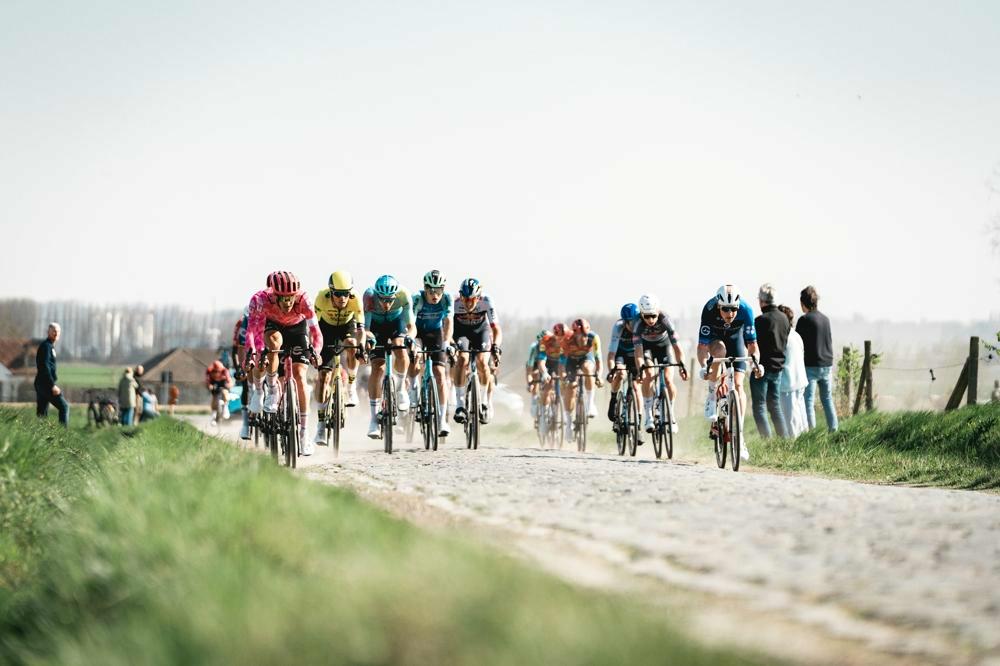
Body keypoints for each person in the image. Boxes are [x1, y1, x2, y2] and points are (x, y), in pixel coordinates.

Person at [245, 270, 323, 453]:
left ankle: (304, 433)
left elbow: (316, 333)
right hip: (273, 326)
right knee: (273, 344)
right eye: (283, 298)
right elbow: (251, 330)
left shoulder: (304, 300)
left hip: (298, 328)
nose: (288, 303)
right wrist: (253, 352)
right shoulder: (260, 299)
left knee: (300, 375)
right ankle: (272, 390)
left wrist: (315, 352)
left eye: (291, 298)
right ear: (274, 295)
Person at [697, 284, 762, 461]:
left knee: (739, 385)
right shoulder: (709, 309)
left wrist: (756, 363)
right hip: (716, 341)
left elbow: (752, 346)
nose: (730, 313)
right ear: (719, 305)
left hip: (736, 340)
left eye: (733, 309)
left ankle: (739, 438)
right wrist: (704, 366)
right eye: (725, 309)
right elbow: (702, 347)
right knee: (720, 352)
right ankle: (711, 395)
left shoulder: (746, 310)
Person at [313, 270, 366, 444]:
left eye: (346, 294)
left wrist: (362, 346)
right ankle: (320, 425)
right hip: (325, 329)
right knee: (323, 377)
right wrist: (314, 348)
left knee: (352, 344)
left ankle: (351, 386)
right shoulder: (322, 297)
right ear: (331, 292)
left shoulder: (355, 299)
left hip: (346, 326)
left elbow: (361, 329)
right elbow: (314, 328)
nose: (343, 298)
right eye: (338, 294)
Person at [363, 275, 414, 438]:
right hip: (375, 327)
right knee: (378, 368)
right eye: (383, 300)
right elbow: (366, 328)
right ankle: (373, 418)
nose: (386, 304)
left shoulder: (403, 295)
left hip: (395, 322)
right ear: (377, 295)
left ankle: (400, 390)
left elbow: (411, 326)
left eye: (390, 300)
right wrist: (369, 340)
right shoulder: (369, 296)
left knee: (400, 346)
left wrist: (410, 337)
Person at [631, 295, 687, 433]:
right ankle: (648, 415)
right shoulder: (637, 323)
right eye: (647, 316)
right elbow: (638, 352)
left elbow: (677, 347)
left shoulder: (665, 319)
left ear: (658, 312)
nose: (650, 320)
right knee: (648, 374)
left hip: (664, 346)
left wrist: (682, 365)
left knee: (668, 379)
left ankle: (670, 414)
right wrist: (640, 369)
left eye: (653, 316)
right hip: (646, 348)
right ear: (641, 314)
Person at [408, 270, 454, 437]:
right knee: (416, 356)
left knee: (440, 373)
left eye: (439, 290)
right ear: (425, 289)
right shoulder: (417, 299)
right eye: (431, 291)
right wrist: (412, 341)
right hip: (418, 332)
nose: (435, 295)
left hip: (436, 333)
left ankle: (442, 420)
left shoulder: (447, 299)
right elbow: (410, 321)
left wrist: (447, 343)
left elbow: (449, 322)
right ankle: (413, 389)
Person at [452, 278, 502, 425]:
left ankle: (484, 401)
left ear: (478, 297)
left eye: (472, 299)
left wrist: (497, 346)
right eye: (465, 299)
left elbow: (496, 328)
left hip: (481, 332)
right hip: (461, 332)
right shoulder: (454, 303)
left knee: (482, 361)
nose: (468, 303)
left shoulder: (487, 301)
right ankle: (460, 405)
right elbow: (446, 326)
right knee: (462, 359)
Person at [749, 284, 790, 439]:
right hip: (778, 368)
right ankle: (784, 439)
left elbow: (753, 344)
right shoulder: (784, 318)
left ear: (762, 301)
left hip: (762, 368)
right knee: (775, 406)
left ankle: (767, 441)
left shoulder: (760, 321)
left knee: (759, 406)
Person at [796, 285, 838, 432]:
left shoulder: (804, 320)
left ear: (803, 303)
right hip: (827, 364)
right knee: (827, 399)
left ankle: (812, 432)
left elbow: (798, 344)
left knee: (808, 401)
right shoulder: (826, 319)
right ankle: (834, 430)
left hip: (811, 365)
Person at [558, 318, 602, 440]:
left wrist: (598, 374)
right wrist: (563, 378)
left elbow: (598, 359)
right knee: (571, 386)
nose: (584, 339)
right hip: (570, 361)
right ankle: (568, 423)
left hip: (586, 358)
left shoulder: (594, 338)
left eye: (586, 336)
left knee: (588, 370)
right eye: (581, 336)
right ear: (575, 334)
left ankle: (590, 403)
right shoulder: (567, 339)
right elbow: (561, 364)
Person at [777, 305, 808, 437]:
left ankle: (793, 444)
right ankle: (804, 438)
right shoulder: (796, 335)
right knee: (800, 414)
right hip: (800, 379)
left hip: (788, 382)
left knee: (791, 419)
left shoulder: (783, 338)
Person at [607, 304, 639, 427]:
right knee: (620, 373)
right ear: (625, 322)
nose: (634, 325)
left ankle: (638, 424)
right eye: (631, 322)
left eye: (635, 321)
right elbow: (611, 354)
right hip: (620, 353)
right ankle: (614, 398)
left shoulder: (641, 326)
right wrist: (612, 370)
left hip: (635, 354)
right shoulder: (618, 327)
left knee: (636, 387)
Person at [34, 323, 69, 427]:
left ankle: (39, 439)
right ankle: (64, 438)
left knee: (42, 414)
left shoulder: (49, 346)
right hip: (45, 384)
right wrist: (52, 385)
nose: (56, 333)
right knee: (64, 407)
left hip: (41, 383)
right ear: (48, 332)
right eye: (53, 331)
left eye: (58, 331)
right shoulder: (46, 347)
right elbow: (44, 367)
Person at [535, 323, 566, 423]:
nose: (561, 340)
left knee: (565, 385)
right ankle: (545, 414)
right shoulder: (546, 341)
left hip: (559, 364)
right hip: (547, 364)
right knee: (548, 385)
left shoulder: (567, 342)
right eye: (558, 338)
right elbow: (541, 362)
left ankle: (562, 411)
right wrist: (544, 373)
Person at [526, 329, 548, 421]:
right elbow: (529, 369)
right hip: (534, 364)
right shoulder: (534, 348)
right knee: (534, 377)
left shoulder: (553, 346)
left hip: (547, 362)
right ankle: (534, 399)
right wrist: (530, 382)